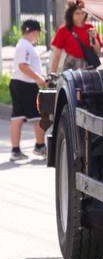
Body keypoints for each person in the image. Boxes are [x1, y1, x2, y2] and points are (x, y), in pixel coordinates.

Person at [9, 19, 49, 162]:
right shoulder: (25, 46)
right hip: (26, 85)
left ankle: (16, 150)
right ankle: (40, 146)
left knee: (18, 116)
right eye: (38, 33)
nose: (38, 36)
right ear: (34, 31)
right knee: (38, 116)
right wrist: (39, 78)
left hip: (19, 83)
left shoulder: (23, 45)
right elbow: (23, 66)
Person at [49, 0, 101, 73]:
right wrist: (52, 74)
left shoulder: (90, 27)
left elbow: (97, 51)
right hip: (70, 66)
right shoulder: (63, 30)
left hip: (88, 66)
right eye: (77, 13)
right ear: (70, 14)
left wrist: (94, 38)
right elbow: (57, 55)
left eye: (82, 13)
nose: (80, 16)